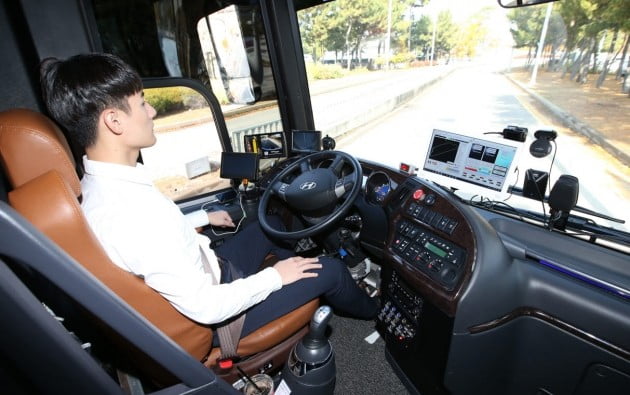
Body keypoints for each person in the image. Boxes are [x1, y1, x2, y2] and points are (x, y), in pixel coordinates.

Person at [39, 53, 377, 339]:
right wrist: (276, 276)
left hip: (210, 267)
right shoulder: (130, 215)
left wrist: (202, 217)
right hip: (220, 316)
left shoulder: (105, 187)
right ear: (114, 121)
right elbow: (208, 307)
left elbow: (154, 242)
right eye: (141, 103)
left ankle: (294, 274)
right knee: (331, 270)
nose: (152, 112)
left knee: (270, 223)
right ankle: (376, 312)